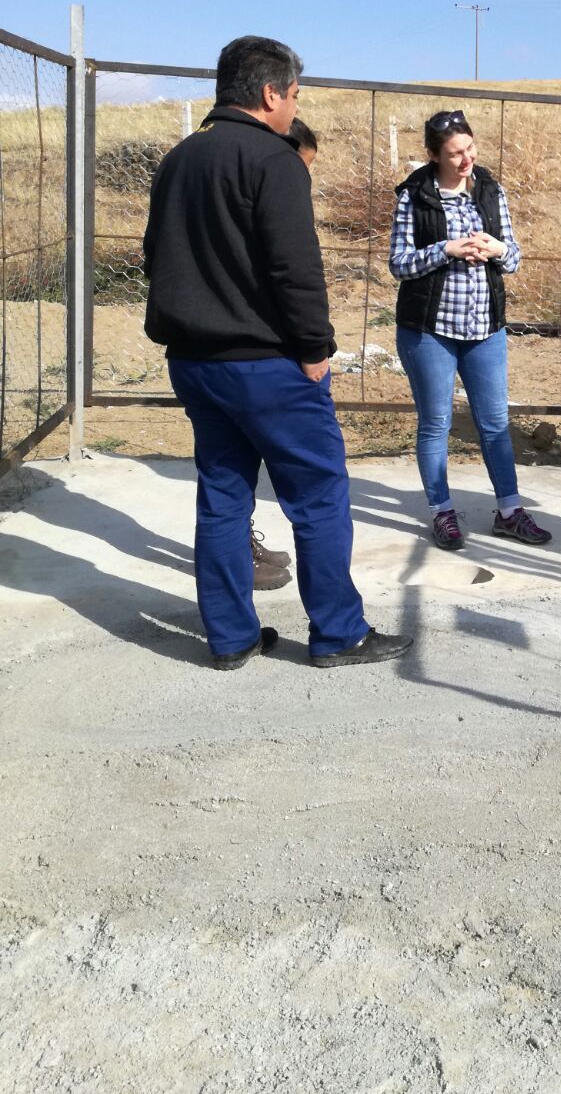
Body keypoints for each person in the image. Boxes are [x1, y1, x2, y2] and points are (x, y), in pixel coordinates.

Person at [142, 35, 412, 669]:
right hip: (269, 367)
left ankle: (231, 637)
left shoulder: (179, 158)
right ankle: (339, 633)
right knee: (318, 497)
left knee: (222, 496)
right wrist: (315, 348)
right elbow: (296, 267)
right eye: (294, 94)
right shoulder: (274, 158)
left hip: (195, 364)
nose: (295, 106)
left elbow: (156, 257)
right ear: (270, 94)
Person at [389, 109, 551, 551]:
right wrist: (447, 249)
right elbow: (399, 263)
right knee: (436, 423)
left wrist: (497, 249)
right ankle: (442, 513)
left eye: (470, 148)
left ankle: (510, 512)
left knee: (495, 422)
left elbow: (513, 258)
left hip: (485, 328)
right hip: (430, 330)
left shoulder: (491, 192)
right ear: (433, 155)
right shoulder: (414, 197)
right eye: (455, 153)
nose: (466, 159)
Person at [247, 115, 320, 589]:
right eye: (302, 166)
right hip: (261, 352)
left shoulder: (198, 161)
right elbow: (294, 270)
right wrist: (314, 347)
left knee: (225, 474)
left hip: (202, 351)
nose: (304, 178)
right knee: (315, 481)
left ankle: (238, 550)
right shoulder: (271, 173)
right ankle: (337, 622)